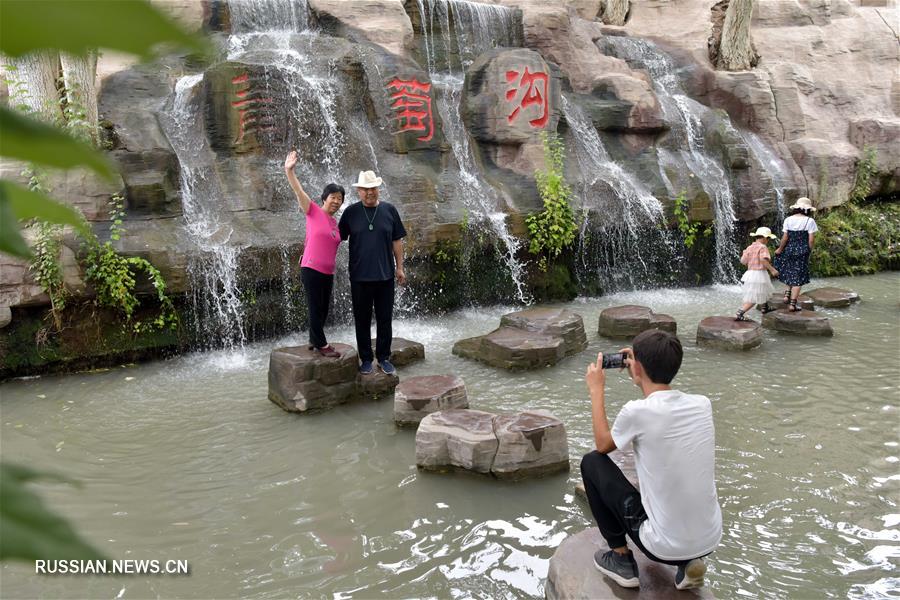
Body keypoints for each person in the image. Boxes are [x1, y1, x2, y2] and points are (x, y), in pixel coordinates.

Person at [580, 330, 722, 591]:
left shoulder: (637, 411)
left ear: (638, 367)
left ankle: (620, 558)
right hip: (710, 538)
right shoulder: (703, 404)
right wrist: (640, 366)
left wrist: (596, 389)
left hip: (661, 547)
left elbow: (602, 444)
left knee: (591, 463)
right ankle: (688, 563)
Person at [338, 170, 407, 375]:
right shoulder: (350, 213)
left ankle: (384, 358)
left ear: (378, 189)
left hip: (385, 276)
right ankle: (366, 359)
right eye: (366, 189)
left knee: (385, 319)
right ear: (359, 191)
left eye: (373, 189)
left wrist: (400, 267)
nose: (370, 193)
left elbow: (397, 241)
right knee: (362, 319)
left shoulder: (389, 210)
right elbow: (334, 236)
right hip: (359, 277)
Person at [284, 151, 344, 358]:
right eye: (333, 197)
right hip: (311, 268)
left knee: (323, 308)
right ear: (324, 198)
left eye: (340, 199)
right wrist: (289, 170)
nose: (336, 201)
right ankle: (321, 344)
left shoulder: (336, 224)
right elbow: (298, 190)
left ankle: (313, 338)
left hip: (327, 272)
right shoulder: (313, 211)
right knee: (315, 307)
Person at [774, 197, 818, 311]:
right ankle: (792, 304)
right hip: (802, 251)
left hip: (789, 249)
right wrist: (809, 250)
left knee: (789, 271)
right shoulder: (810, 221)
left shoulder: (788, 220)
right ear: (807, 210)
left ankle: (786, 295)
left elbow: (785, 238)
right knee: (798, 276)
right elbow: (811, 240)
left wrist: (780, 249)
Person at [735, 226, 779, 321]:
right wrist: (772, 270)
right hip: (759, 273)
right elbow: (763, 260)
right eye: (768, 238)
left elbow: (743, 261)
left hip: (750, 274)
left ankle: (765, 307)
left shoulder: (749, 247)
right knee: (755, 296)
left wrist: (744, 253)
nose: (768, 240)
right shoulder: (763, 247)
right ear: (764, 238)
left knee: (763, 290)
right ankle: (740, 312)